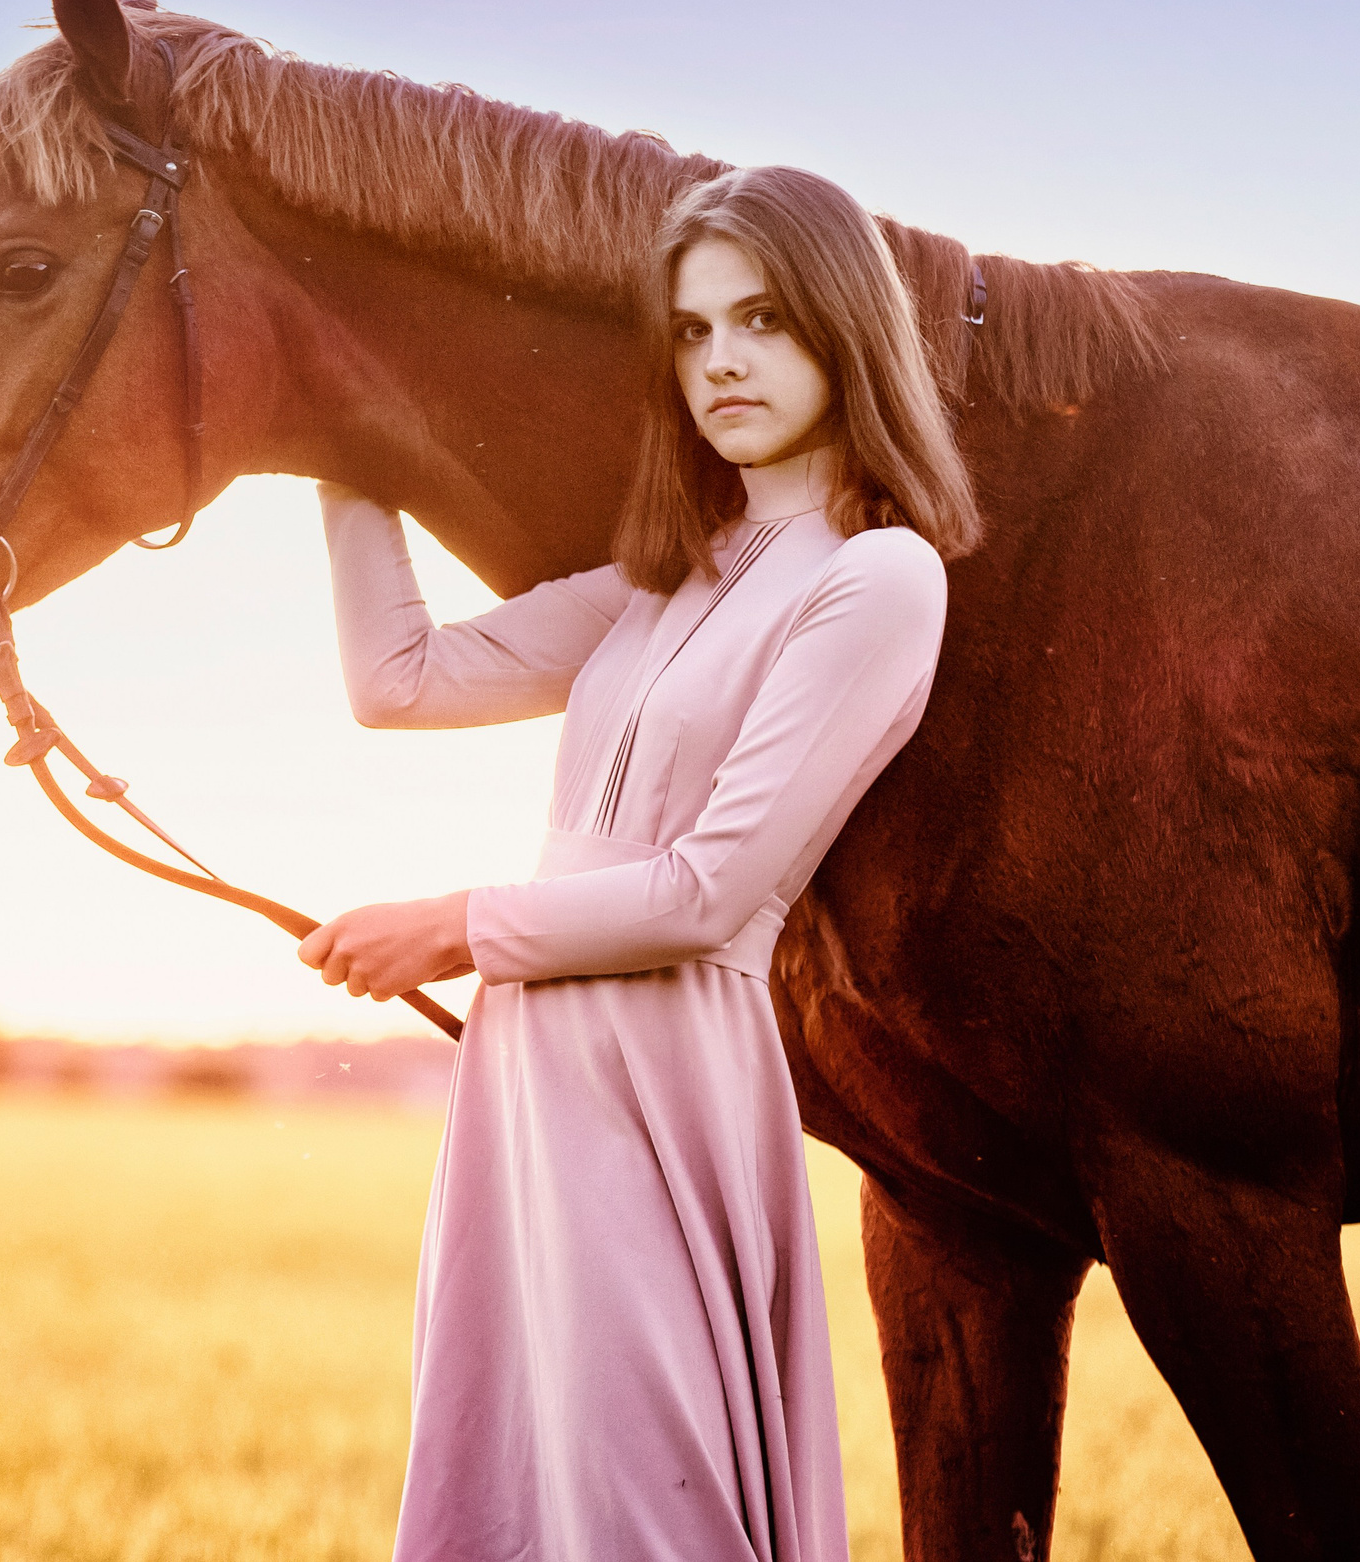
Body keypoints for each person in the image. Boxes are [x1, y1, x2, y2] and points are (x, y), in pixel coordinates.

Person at [299, 164, 981, 1562]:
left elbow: (711, 890)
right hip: (530, 1068)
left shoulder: (878, 577)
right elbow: (397, 679)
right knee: (511, 1487)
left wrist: (453, 925)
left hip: (664, 1069)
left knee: (646, 1504)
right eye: (693, 329)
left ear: (846, 327)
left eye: (764, 319)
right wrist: (336, 445)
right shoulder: (669, 572)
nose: (722, 359)